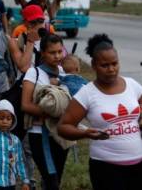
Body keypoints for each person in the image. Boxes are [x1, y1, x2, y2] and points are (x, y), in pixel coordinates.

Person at [58, 34, 142, 190]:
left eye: (114, 63)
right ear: (94, 65)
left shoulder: (132, 85)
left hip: (138, 164)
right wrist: (85, 134)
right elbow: (63, 126)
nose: (111, 69)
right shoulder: (87, 93)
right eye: (105, 65)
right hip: (106, 168)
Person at [21, 33, 69, 190]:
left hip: (60, 134)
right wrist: (52, 113)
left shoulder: (63, 72)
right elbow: (25, 105)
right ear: (43, 53)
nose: (57, 56)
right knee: (51, 180)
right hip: (39, 135)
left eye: (59, 51)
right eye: (52, 52)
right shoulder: (33, 73)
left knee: (56, 179)